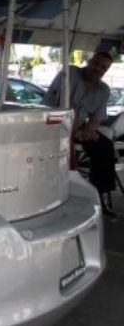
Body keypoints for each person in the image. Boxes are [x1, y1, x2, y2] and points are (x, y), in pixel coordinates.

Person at [44, 51, 116, 216]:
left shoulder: (103, 90)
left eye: (103, 67)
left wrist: (88, 130)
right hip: (53, 121)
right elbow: (61, 102)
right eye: (96, 64)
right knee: (57, 155)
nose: (98, 69)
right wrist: (75, 128)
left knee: (105, 147)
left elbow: (96, 118)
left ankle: (99, 195)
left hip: (78, 126)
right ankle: (53, 195)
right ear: (89, 61)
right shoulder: (71, 73)